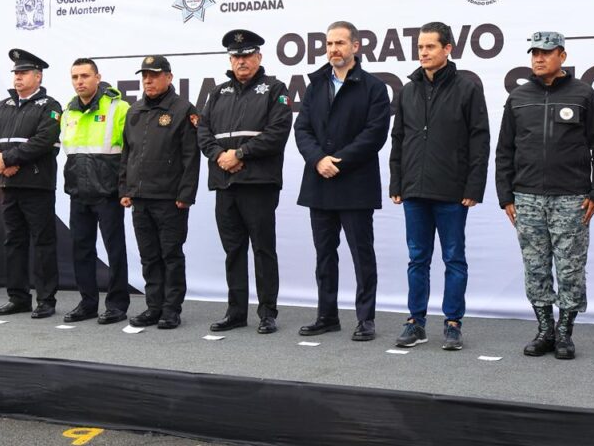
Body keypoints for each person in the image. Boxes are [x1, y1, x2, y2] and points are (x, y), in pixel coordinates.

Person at [495, 31, 594, 360]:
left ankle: (564, 332)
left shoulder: (583, 94)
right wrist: (505, 195)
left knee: (571, 269)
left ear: (562, 56)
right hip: (527, 197)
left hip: (571, 198)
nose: (539, 58)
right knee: (535, 268)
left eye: (546, 52)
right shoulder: (518, 97)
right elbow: (504, 151)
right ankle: (545, 329)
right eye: (534, 52)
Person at [390, 21, 489, 351]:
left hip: (452, 191)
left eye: (430, 46)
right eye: (420, 47)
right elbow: (398, 139)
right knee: (417, 259)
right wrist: (397, 181)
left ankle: (453, 324)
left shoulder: (467, 88)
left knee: (453, 259)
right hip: (414, 191)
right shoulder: (408, 90)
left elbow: (479, 140)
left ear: (448, 49)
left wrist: (474, 187)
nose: (423, 52)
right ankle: (415, 322)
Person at [294, 21, 390, 341]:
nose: (333, 49)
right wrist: (318, 160)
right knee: (324, 255)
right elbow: (302, 129)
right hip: (319, 183)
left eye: (340, 43)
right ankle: (327, 316)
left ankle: (365, 319)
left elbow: (374, 134)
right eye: (329, 44)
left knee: (362, 255)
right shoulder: (316, 85)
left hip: (355, 185)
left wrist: (339, 162)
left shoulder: (374, 87)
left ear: (355, 47)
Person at [197, 30, 292, 334]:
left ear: (259, 57)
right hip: (225, 184)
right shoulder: (217, 92)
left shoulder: (275, 89)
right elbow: (203, 132)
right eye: (236, 56)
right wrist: (220, 156)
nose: (242, 61)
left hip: (258, 184)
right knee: (233, 251)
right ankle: (236, 312)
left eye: (248, 55)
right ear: (230, 60)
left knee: (263, 251)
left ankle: (267, 313)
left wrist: (240, 154)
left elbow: (277, 133)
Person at [119, 55, 200, 330]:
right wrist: (125, 188)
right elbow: (127, 153)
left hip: (170, 199)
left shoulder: (183, 109)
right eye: (144, 76)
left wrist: (186, 195)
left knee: (171, 255)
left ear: (169, 77)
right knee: (149, 256)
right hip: (140, 198)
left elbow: (191, 157)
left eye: (154, 75)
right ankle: (153, 307)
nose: (148, 80)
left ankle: (171, 309)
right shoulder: (134, 110)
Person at [0, 49, 63, 318]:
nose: (18, 77)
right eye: (16, 73)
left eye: (24, 73)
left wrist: (9, 159)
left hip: (36, 184)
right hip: (8, 184)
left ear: (38, 77)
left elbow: (43, 141)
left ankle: (46, 300)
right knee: (13, 242)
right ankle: (18, 298)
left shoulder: (50, 106)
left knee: (43, 243)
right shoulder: (3, 106)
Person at [60, 58, 131, 324]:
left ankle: (117, 305)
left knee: (115, 250)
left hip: (108, 192)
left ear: (97, 78)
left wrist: (124, 188)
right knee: (81, 250)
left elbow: (130, 152)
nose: (79, 82)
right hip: (78, 192)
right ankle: (87, 303)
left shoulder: (118, 107)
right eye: (75, 77)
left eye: (85, 76)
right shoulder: (68, 111)